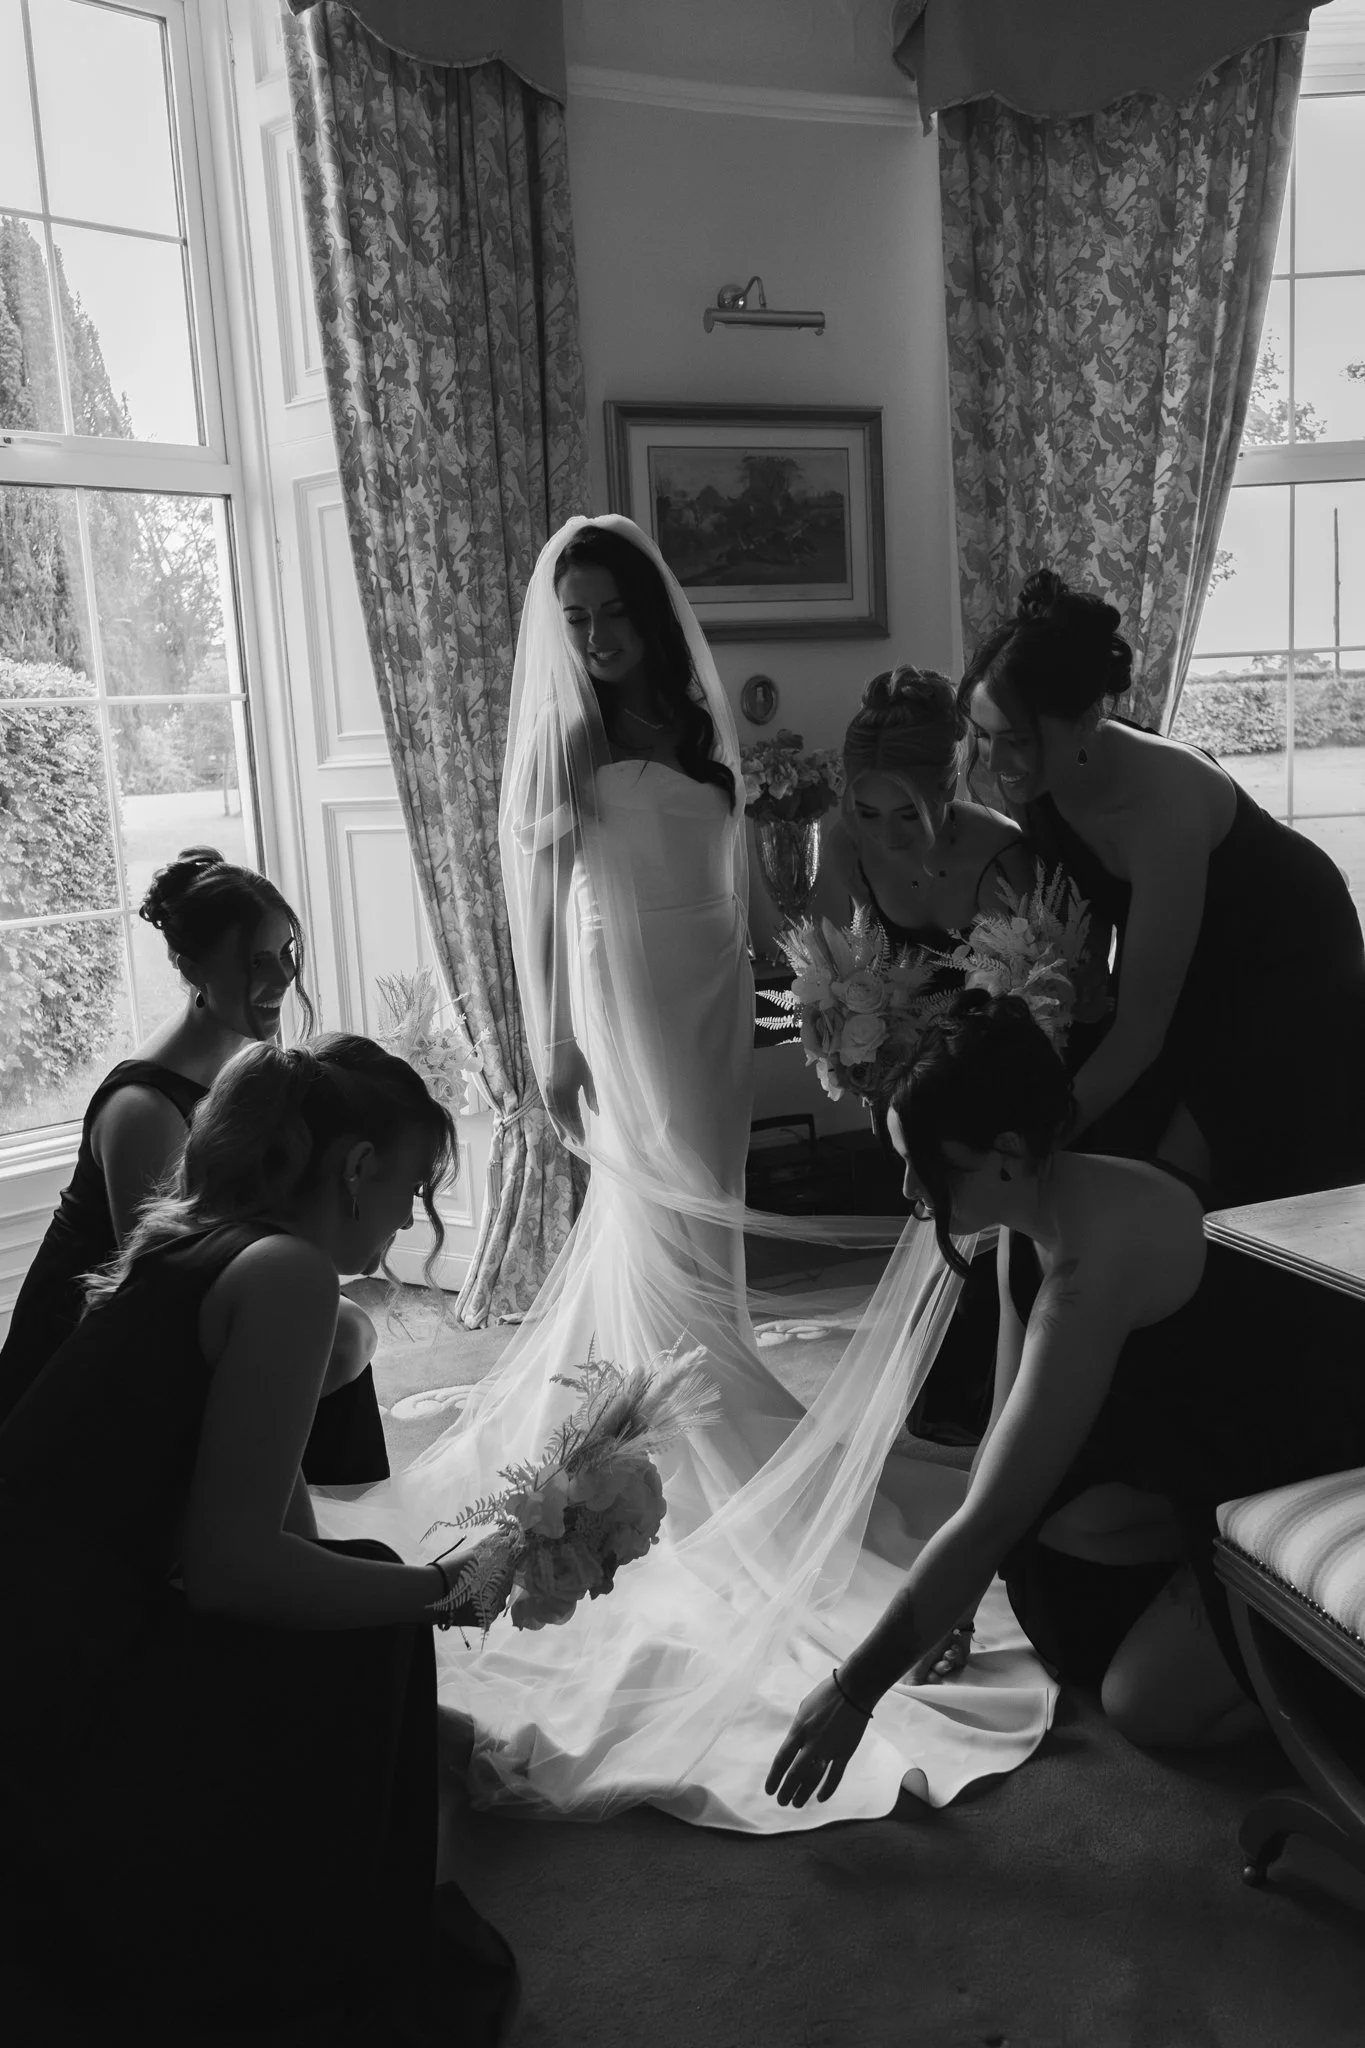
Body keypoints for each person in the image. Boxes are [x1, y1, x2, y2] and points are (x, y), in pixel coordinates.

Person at [312, 516, 1057, 1835]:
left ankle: (686, 1377)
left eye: (613, 615)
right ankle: (668, 1431)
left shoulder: (696, 729)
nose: (596, 639)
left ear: (651, 613)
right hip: (621, 989)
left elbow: (747, 895)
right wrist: (547, 1041)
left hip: (711, 988)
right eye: (578, 620)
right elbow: (534, 892)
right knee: (652, 1215)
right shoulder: (569, 736)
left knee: (702, 1241)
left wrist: (805, 986)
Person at [0, 1034, 517, 2043]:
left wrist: (403, 1590)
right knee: (379, 1618)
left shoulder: (199, 1237)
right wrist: (442, 1591)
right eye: (412, 1187)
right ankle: (307, 1947)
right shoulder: (287, 1274)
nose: (413, 1217)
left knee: (360, 1587)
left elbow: (274, 1509)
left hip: (34, 1643)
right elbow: (238, 1569)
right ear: (358, 1168)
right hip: (58, 1698)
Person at [766, 991, 1365, 1812]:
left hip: (1289, 1460)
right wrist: (956, 1607)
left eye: (928, 1165)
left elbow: (988, 1519)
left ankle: (1300, 1660)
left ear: (1006, 1147)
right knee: (1052, 1556)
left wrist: (850, 1692)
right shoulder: (1029, 1212)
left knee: (1139, 1704)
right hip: (1186, 1450)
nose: (910, 1189)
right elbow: (995, 1466)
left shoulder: (1093, 1267)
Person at [960, 570, 1365, 1205]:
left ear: (1085, 717)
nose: (995, 764)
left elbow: (1142, 1030)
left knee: (1182, 1165)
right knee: (1117, 1130)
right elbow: (1085, 968)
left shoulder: (1163, 801)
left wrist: (1042, 1139)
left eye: (1018, 741)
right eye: (983, 736)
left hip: (1289, 958)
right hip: (1191, 957)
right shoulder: (1035, 782)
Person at [0, 849, 387, 1484]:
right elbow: (160, 1297)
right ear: (189, 966)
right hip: (76, 1357)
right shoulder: (146, 1107)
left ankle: (307, 1533)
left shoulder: (245, 1066)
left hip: (170, 1312)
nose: (282, 977)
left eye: (288, 952)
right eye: (256, 961)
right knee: (335, 1336)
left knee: (335, 1325)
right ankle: (255, 1535)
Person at [824, 665, 1034, 953]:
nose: (888, 837)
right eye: (869, 814)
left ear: (948, 786)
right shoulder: (848, 847)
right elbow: (865, 967)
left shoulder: (1001, 855)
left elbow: (1023, 986)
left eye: (910, 814)